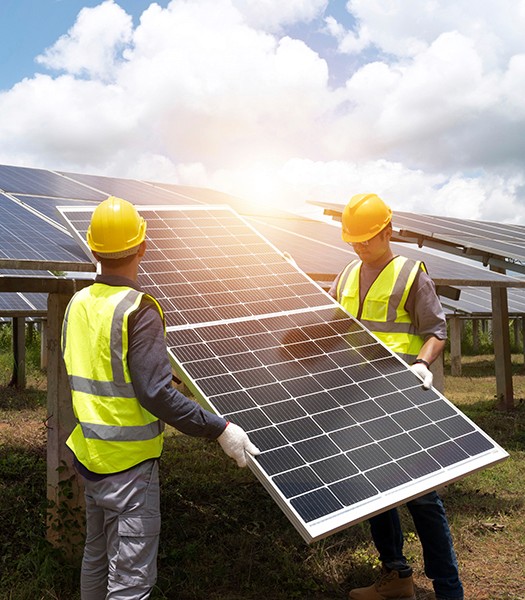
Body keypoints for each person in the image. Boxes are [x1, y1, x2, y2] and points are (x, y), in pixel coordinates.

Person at [61, 196, 260, 600]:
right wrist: (219, 429)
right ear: (143, 247)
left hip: (91, 459)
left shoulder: (76, 304)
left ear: (93, 248)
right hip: (131, 467)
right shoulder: (139, 308)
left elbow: (102, 370)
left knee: (96, 558)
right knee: (130, 581)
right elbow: (154, 393)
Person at [329, 193, 464, 600]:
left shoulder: (410, 273)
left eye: (367, 238)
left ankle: (448, 590)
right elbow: (333, 325)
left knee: (422, 498)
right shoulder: (347, 274)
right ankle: (397, 577)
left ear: (387, 231)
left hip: (405, 399)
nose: (360, 246)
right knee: (375, 489)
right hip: (361, 397)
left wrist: (422, 364)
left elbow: (436, 331)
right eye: (353, 239)